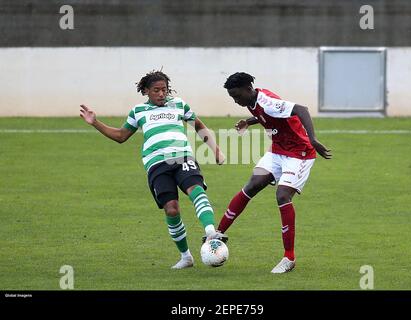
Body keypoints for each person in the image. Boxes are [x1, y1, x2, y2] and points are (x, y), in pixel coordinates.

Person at [79, 70, 227, 269]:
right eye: (156, 90)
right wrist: (95, 122)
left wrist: (215, 150)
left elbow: (199, 125)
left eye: (164, 90)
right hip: (156, 164)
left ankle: (211, 232)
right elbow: (121, 136)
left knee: (196, 189)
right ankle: (186, 257)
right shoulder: (138, 111)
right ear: (146, 91)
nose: (161, 94)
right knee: (171, 209)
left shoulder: (179, 105)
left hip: (182, 155)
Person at [216, 72, 332, 273]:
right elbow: (262, 114)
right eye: (232, 98)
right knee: (252, 185)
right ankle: (218, 233)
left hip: (300, 154)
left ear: (248, 89)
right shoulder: (252, 101)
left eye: (237, 96)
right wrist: (248, 122)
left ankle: (289, 258)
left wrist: (312, 139)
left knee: (282, 195)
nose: (236, 101)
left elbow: (301, 110)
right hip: (278, 150)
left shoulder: (267, 101)